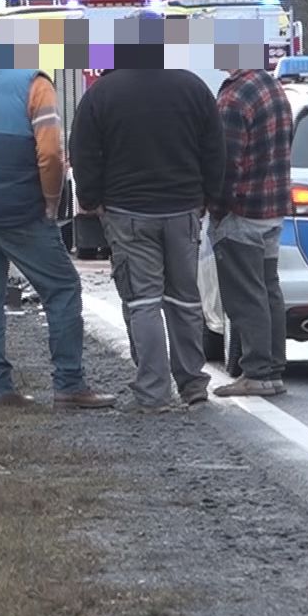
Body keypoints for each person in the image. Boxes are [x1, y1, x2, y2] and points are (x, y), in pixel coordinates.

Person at [0, 50, 114, 409]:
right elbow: (51, 153)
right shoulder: (35, 85)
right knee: (63, 288)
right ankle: (69, 383)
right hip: (20, 209)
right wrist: (52, 200)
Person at [70, 64, 225, 413]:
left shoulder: (102, 94)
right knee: (185, 300)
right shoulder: (192, 88)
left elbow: (83, 151)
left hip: (128, 213)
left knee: (143, 302)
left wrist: (92, 199)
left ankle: (154, 392)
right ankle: (192, 384)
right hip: (184, 209)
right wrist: (209, 197)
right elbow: (215, 147)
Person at [210, 60, 295, 397]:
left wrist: (216, 208)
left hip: (242, 209)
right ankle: (273, 369)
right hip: (273, 206)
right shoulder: (272, 88)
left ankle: (257, 372)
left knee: (245, 294)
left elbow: (226, 162)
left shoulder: (234, 100)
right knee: (268, 289)